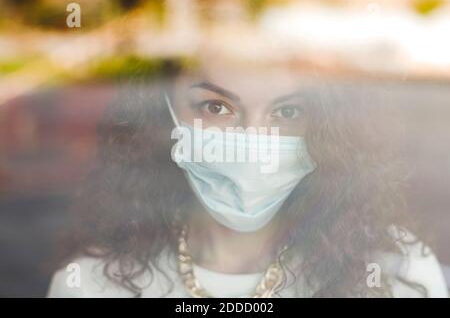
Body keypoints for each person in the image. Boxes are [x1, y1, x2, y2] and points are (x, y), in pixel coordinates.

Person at [47, 56, 448, 298]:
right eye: (216, 108)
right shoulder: (91, 285)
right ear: (162, 115)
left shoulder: (399, 273)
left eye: (287, 112)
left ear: (327, 129)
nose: (253, 139)